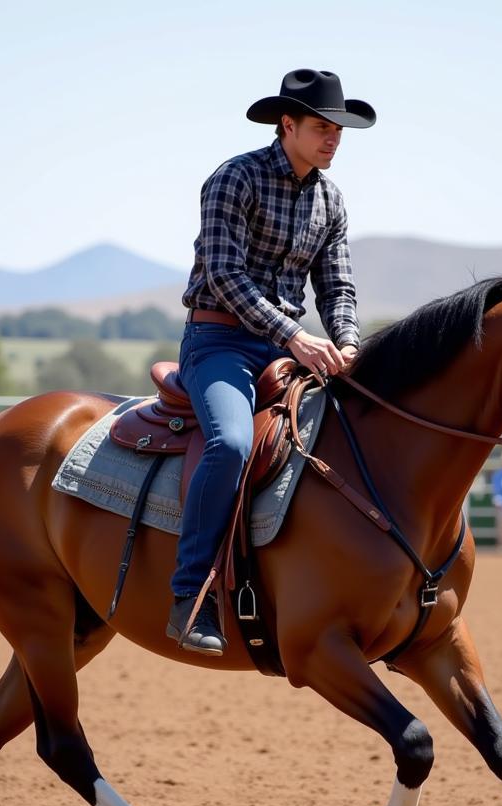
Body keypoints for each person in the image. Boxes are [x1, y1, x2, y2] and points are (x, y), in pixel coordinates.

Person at [166, 69, 376, 656]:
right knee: (230, 443)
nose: (333, 138)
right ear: (287, 125)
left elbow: (337, 287)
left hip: (290, 348)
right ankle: (191, 595)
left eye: (339, 130)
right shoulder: (235, 179)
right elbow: (225, 276)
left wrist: (349, 344)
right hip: (219, 342)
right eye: (321, 127)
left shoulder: (331, 199)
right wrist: (295, 336)